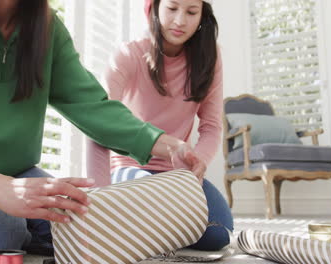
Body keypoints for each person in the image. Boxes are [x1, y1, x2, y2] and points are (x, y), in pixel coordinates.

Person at [0, 0, 206, 256]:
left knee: (93, 225)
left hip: (14, 172)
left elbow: (92, 105)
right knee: (4, 231)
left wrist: (170, 145)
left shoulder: (46, 27)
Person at [87, 0, 234, 251]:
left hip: (178, 173)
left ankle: (147, 230)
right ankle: (151, 225)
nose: (180, 21)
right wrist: (98, 195)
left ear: (202, 15)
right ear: (153, 8)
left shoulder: (211, 57)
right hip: (130, 168)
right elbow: (97, 124)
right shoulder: (128, 54)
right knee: (154, 200)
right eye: (172, 8)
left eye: (191, 12)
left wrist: (195, 166)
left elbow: (211, 126)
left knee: (219, 234)